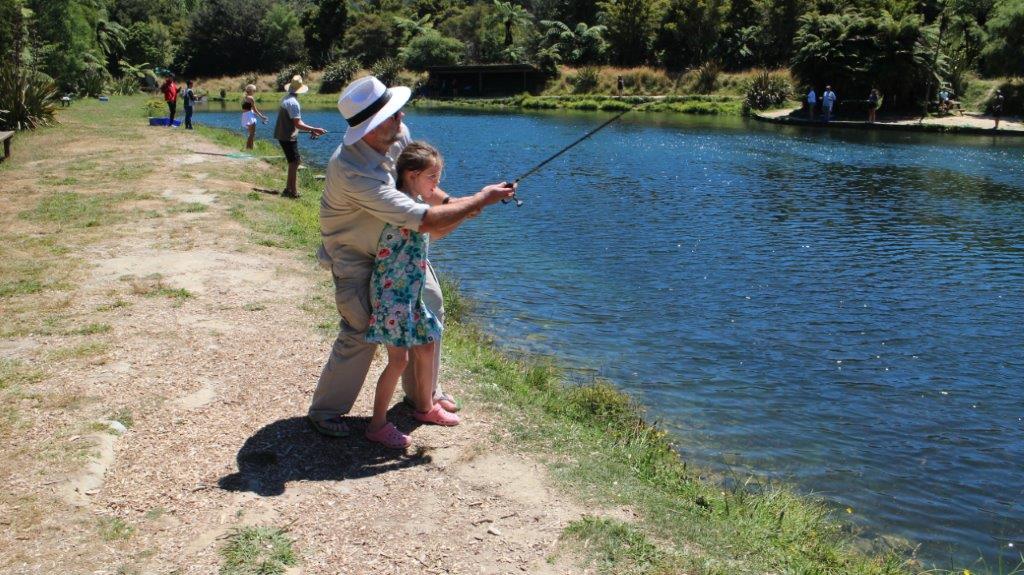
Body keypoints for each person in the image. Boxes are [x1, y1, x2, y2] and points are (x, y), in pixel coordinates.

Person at [308, 75, 516, 437]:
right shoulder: (351, 170)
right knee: (360, 329)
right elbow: (424, 220)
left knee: (431, 305)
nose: (401, 116)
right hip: (356, 254)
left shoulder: (397, 134)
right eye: (392, 114)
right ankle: (326, 411)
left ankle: (423, 395)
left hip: (398, 250)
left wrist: (452, 202)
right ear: (372, 127)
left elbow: (421, 185)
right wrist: (479, 200)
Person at [363, 142, 461, 448]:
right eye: (432, 177)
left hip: (410, 292)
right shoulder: (402, 208)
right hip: (392, 295)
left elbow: (437, 227)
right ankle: (377, 425)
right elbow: (435, 228)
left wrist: (467, 210)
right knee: (399, 361)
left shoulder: (414, 203)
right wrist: (469, 209)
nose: (436, 184)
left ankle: (425, 407)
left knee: (427, 343)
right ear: (411, 174)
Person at [273, 75, 326, 198]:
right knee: (295, 162)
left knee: (293, 162)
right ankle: (293, 192)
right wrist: (315, 129)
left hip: (283, 135)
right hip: (287, 137)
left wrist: (310, 130)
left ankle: (289, 189)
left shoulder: (286, 98)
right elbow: (298, 124)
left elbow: (295, 122)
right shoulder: (293, 103)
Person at [242, 84, 268, 150]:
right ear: (251, 90)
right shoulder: (251, 98)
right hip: (249, 116)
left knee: (251, 133)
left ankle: (251, 148)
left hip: (245, 116)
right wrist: (262, 116)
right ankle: (248, 148)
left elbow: (246, 108)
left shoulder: (244, 97)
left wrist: (254, 113)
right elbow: (255, 109)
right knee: (252, 134)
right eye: (254, 91)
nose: (255, 92)